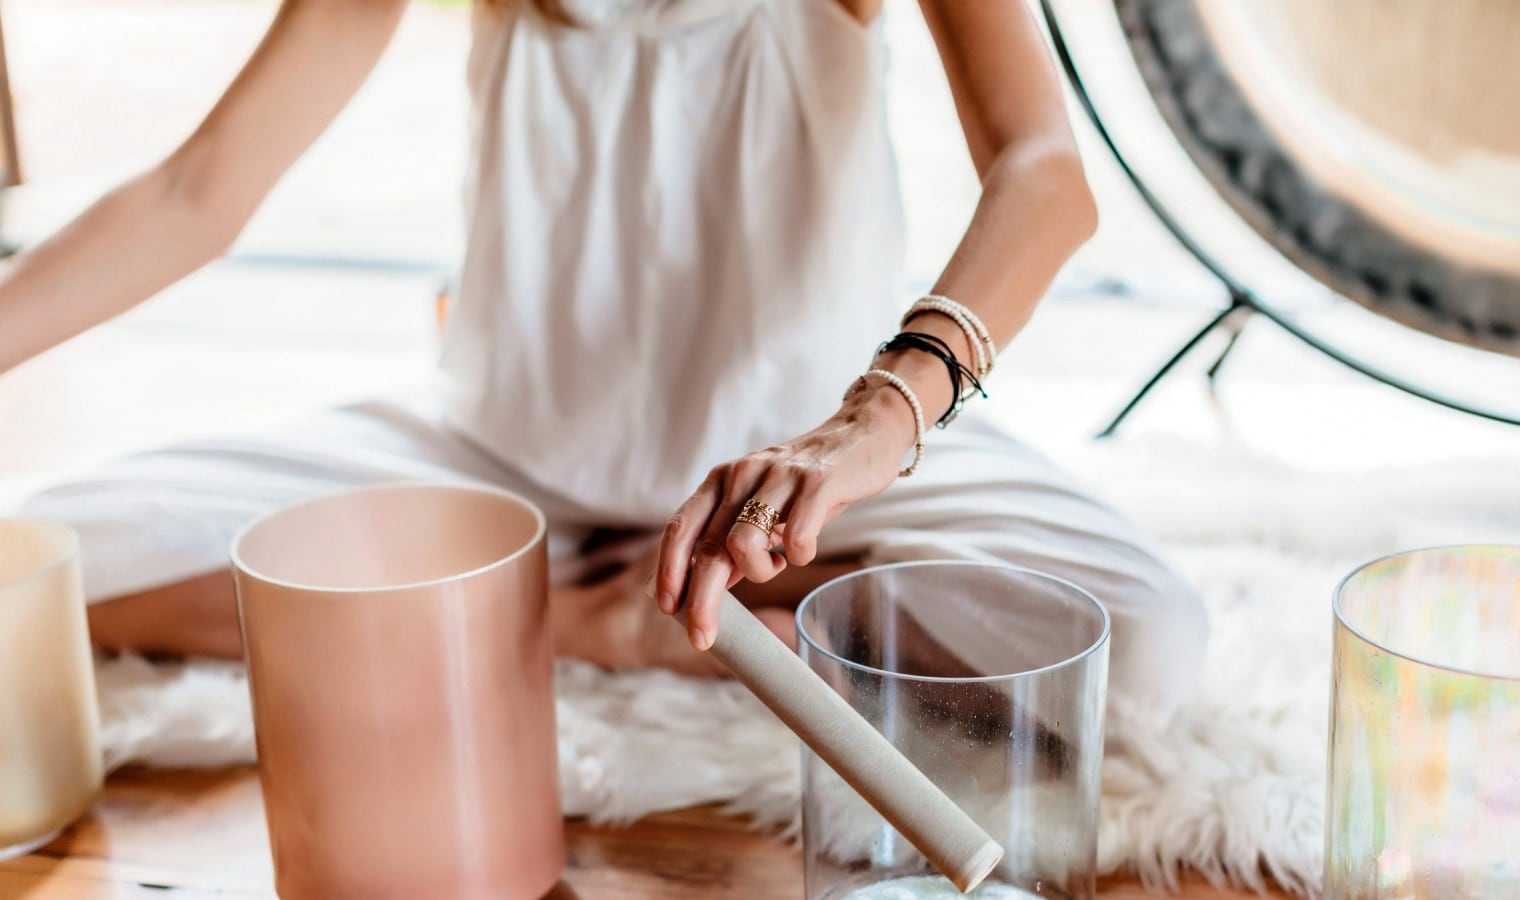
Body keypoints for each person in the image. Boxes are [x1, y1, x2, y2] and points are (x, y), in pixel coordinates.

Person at [0, 0, 1206, 715]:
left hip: (812, 466)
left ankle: (742, 570)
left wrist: (877, 416)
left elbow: (1044, 175)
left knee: (1146, 644)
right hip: (497, 452)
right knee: (49, 561)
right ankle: (578, 612)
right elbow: (194, 193)